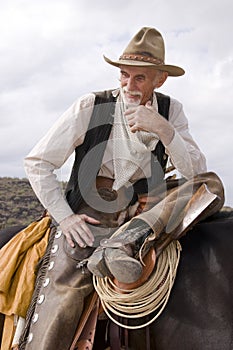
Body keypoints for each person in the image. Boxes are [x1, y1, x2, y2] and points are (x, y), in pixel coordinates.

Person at [19, 27, 224, 349]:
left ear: (160, 79)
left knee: (211, 185)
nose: (129, 85)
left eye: (140, 78)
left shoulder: (172, 110)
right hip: (94, 204)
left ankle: (126, 242)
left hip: (151, 205)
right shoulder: (91, 104)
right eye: (124, 75)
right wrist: (66, 218)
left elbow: (196, 171)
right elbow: (38, 162)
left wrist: (166, 132)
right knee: (68, 287)